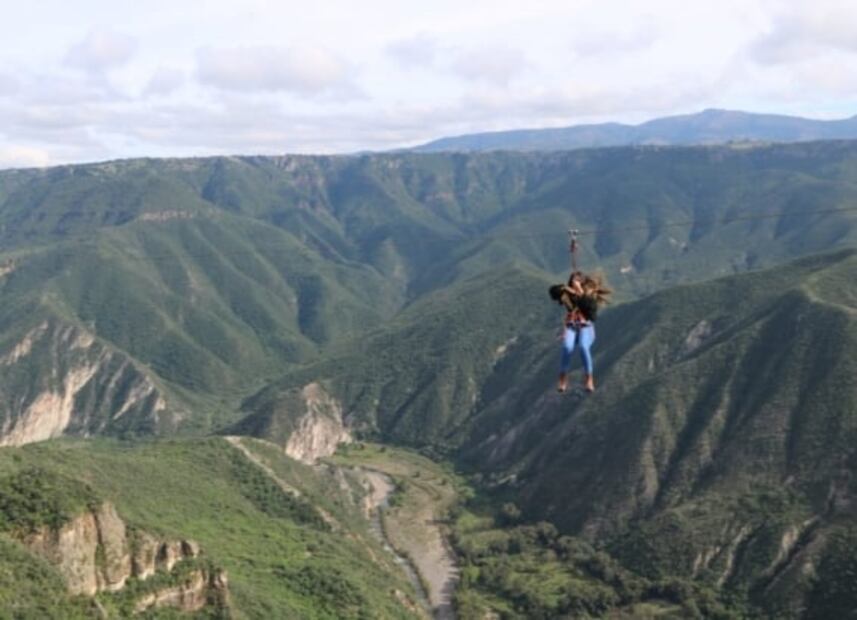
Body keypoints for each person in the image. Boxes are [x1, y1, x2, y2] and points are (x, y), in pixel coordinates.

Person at [548, 271, 611, 393]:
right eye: (572, 284)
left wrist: (581, 293)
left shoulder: (589, 297)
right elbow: (553, 293)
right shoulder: (567, 294)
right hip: (572, 325)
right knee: (567, 347)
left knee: (583, 347)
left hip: (585, 327)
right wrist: (564, 288)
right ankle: (563, 378)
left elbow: (592, 316)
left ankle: (589, 378)